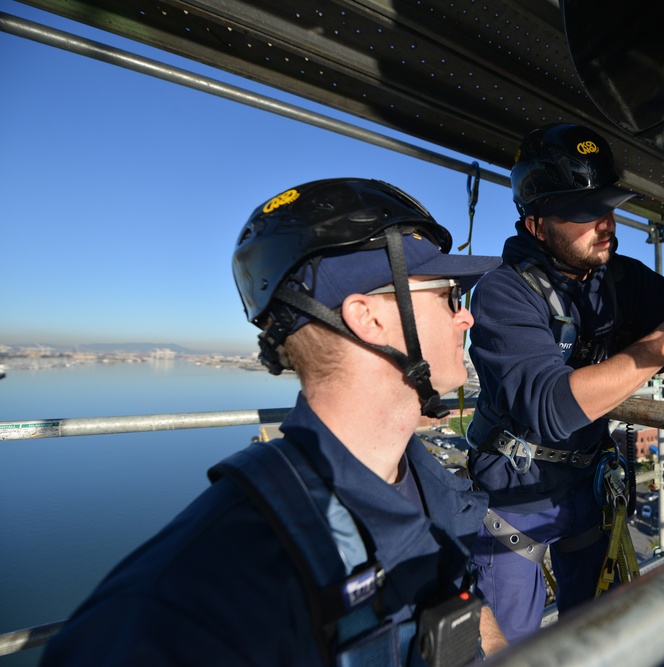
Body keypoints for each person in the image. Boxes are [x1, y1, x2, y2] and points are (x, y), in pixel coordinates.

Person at [40, 177, 508, 666]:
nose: (466, 318)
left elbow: (464, 606)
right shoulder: (203, 595)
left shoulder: (425, 485)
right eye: (450, 296)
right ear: (367, 318)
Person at [465, 123, 664, 643]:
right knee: (505, 649)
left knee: (597, 634)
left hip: (586, 483)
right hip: (515, 493)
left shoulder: (621, 279)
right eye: (585, 212)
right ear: (536, 224)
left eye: (608, 206)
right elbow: (551, 408)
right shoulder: (502, 293)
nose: (606, 223)